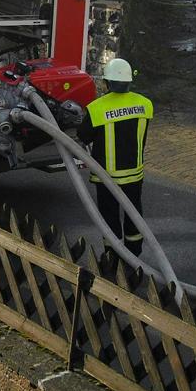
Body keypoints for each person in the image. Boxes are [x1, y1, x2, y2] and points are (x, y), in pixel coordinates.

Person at [77, 58, 153, 256]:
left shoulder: (97, 108)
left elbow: (83, 136)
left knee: (109, 216)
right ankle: (134, 253)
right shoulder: (145, 105)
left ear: (106, 83)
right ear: (129, 81)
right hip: (134, 174)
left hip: (106, 177)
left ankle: (113, 254)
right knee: (134, 213)